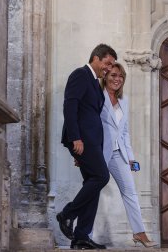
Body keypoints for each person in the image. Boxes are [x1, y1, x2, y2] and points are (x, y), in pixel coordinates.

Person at [57, 44, 117, 250]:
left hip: (90, 142)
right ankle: (67, 214)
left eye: (112, 65)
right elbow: (70, 106)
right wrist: (76, 139)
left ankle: (81, 236)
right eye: (107, 63)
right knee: (101, 176)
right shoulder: (80, 75)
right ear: (96, 58)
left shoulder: (93, 82)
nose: (109, 69)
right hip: (83, 140)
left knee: (93, 183)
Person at [99, 62, 157, 247]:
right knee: (91, 192)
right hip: (99, 152)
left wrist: (131, 158)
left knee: (130, 192)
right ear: (106, 77)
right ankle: (83, 233)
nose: (117, 79)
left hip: (119, 154)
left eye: (120, 76)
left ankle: (139, 232)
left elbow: (124, 133)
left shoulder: (124, 101)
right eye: (113, 75)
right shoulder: (97, 98)